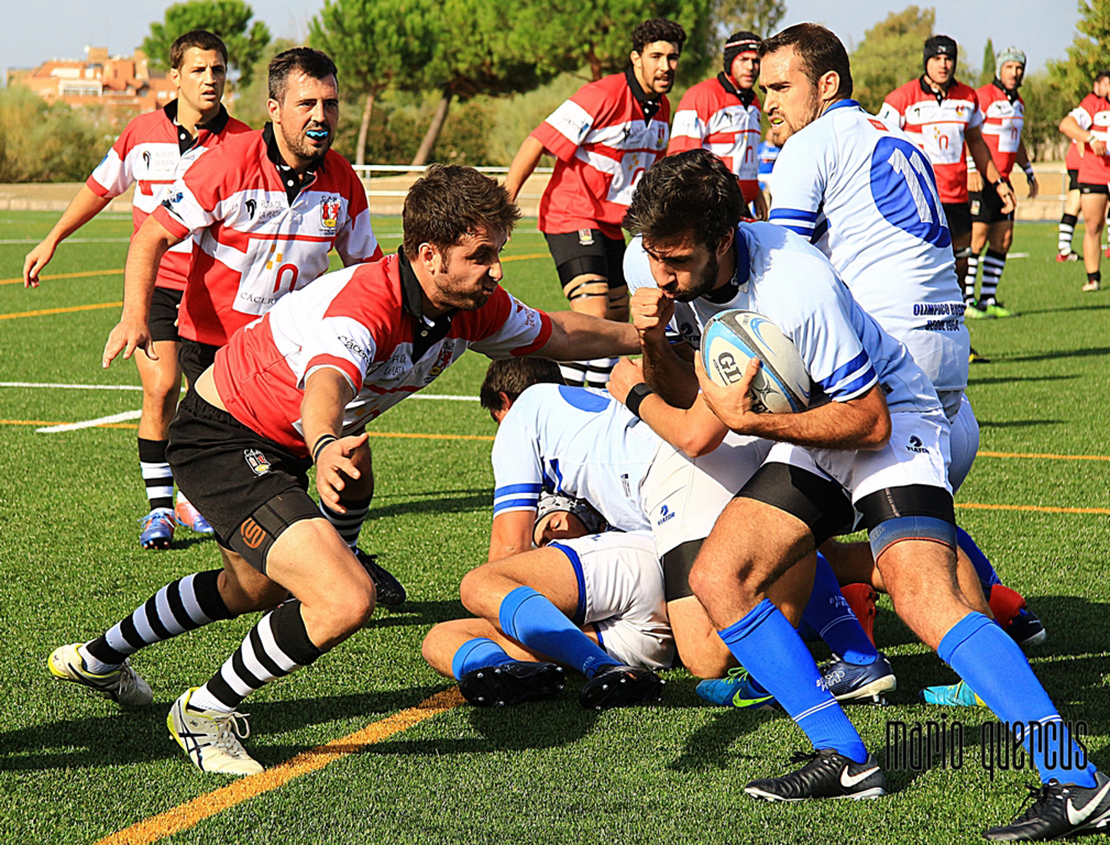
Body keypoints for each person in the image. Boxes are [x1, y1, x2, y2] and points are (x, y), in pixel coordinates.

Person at [47, 165, 641, 774]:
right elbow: (326, 379)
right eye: (482, 255)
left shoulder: (470, 305)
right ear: (430, 255)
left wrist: (644, 337)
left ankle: (99, 658)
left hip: (283, 443)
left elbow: (561, 333)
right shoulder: (368, 304)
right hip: (223, 436)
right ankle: (204, 711)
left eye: (498, 254)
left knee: (254, 589)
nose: (497, 270)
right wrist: (327, 439)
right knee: (343, 598)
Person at [617, 150, 1108, 841]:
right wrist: (648, 337)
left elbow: (869, 418)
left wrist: (751, 421)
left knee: (923, 596)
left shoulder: (796, 283)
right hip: (814, 429)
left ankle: (1079, 782)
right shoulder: (671, 271)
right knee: (719, 576)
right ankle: (845, 759)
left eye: (674, 259)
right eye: (652, 255)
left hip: (891, 425)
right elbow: (692, 406)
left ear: (724, 237)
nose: (660, 272)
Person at [756, 23, 1043, 650]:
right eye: (762, 88)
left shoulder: (811, 145)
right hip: (947, 366)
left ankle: (851, 652)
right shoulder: (899, 136)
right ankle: (998, 615)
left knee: (763, 504)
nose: (769, 101)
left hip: (887, 366)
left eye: (782, 86)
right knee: (913, 523)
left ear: (827, 84)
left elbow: (783, 263)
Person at [99, 47, 396, 578]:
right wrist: (134, 314)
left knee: (340, 451)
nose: (320, 117)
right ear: (275, 107)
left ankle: (335, 557)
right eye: (306, 103)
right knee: (264, 488)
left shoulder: (343, 180)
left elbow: (368, 269)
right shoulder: (226, 163)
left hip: (292, 351)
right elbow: (151, 237)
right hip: (217, 349)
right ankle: (296, 559)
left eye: (330, 104)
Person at [481, 358, 894, 706]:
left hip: (674, 471)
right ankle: (856, 638)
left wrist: (508, 609)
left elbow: (508, 548)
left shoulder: (519, 417)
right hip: (716, 446)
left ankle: (797, 664)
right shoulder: (574, 408)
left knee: (702, 654)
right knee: (815, 554)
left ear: (504, 404)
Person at [23, 31, 251, 549]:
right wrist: (53, 238)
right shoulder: (141, 132)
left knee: (217, 403)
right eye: (198, 70)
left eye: (218, 70)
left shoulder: (243, 142)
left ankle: (198, 496)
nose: (210, 79)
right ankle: (160, 510)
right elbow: (100, 187)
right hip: (158, 287)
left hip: (218, 294)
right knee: (161, 386)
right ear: (175, 77)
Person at [503, 18, 686, 389]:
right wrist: (503, 203)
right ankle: (576, 409)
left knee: (618, 321)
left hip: (611, 224)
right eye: (656, 56)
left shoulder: (662, 107)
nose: (666, 65)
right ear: (636, 59)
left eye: (673, 57)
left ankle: (593, 403)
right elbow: (538, 140)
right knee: (595, 312)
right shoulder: (601, 94)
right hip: (571, 213)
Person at [422, 489, 669, 710]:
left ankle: (602, 665)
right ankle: (510, 670)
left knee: (477, 585)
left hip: (631, 563)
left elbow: (510, 546)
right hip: (651, 637)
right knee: (439, 639)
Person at [878, 34, 1015, 363]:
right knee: (916, 272)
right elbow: (879, 147)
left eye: (949, 58)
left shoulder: (967, 97)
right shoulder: (901, 99)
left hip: (956, 200)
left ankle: (956, 342)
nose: (944, 64)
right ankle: (905, 343)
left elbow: (977, 143)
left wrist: (997, 181)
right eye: (937, 58)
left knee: (960, 271)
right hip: (916, 202)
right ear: (926, 61)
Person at [964, 46, 1038, 318]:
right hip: (982, 180)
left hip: (1004, 182)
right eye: (1009, 67)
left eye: (1019, 67)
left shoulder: (1018, 103)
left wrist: (1028, 171)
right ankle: (967, 300)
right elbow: (968, 134)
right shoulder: (983, 97)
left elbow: (1016, 142)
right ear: (999, 69)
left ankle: (988, 298)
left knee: (1004, 238)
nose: (1015, 72)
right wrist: (972, 168)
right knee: (977, 237)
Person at [668, 31, 767, 220]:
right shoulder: (701, 95)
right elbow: (680, 157)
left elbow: (747, 154)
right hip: (711, 205)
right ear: (730, 62)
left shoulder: (754, 101)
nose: (750, 67)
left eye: (756, 61)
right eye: (743, 59)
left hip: (741, 204)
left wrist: (755, 191)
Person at [1059, 70, 1110, 292]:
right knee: (1093, 225)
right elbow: (1066, 125)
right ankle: (1093, 278)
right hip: (1095, 174)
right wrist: (1090, 138)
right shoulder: (1092, 105)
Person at [1057, 138, 1082, 261]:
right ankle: (1064, 249)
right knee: (1074, 201)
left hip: (1079, 159)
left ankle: (1064, 248)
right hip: (1086, 160)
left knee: (1074, 201)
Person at [756, 128, 780, 201]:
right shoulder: (760, 147)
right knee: (759, 194)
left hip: (772, 174)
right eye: (770, 134)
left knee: (774, 193)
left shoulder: (778, 148)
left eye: (773, 134)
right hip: (760, 174)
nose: (771, 136)